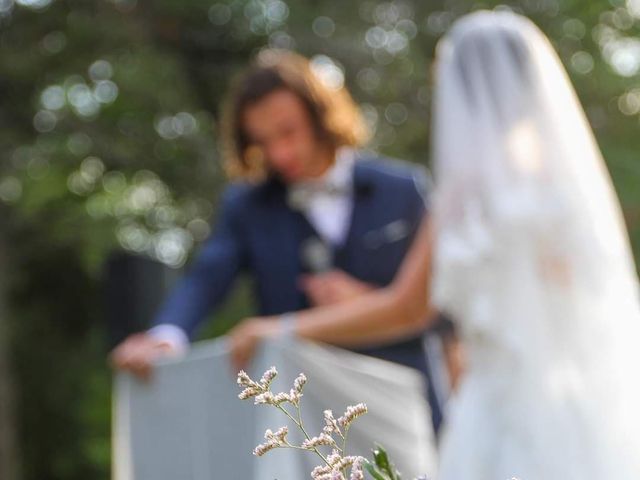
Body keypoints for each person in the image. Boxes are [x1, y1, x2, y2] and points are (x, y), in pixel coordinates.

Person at [229, 11, 640, 479]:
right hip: (586, 407)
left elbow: (407, 308)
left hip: (498, 410)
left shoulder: (466, 196)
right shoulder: (569, 193)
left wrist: (279, 329)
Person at [110, 49, 447, 432]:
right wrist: (167, 336)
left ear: (320, 115)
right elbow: (206, 279)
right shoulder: (247, 206)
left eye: (288, 132)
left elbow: (442, 309)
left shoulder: (404, 190)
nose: (279, 153)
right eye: (262, 142)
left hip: (408, 413)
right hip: (308, 427)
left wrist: (370, 303)